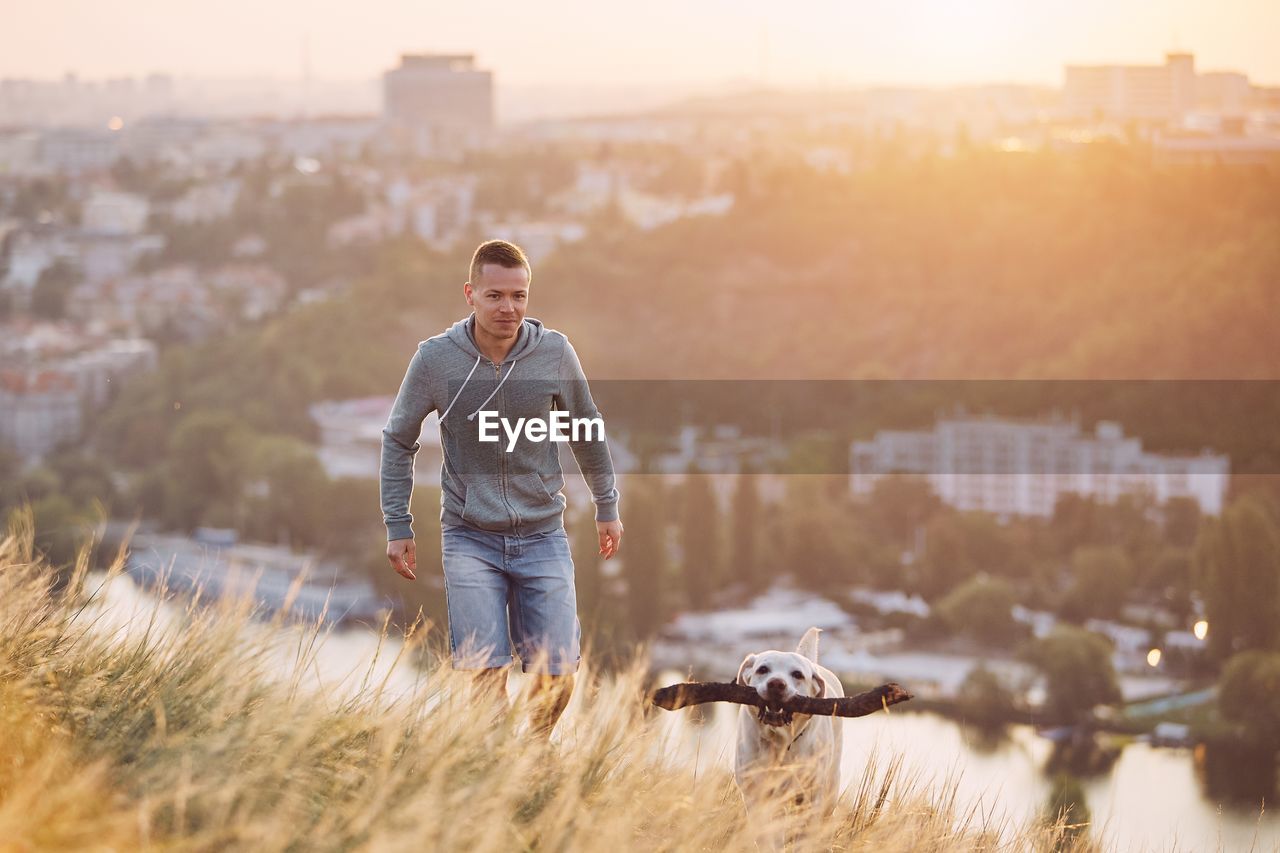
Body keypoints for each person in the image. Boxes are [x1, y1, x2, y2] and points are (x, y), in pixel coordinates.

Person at [379, 239, 623, 739]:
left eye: (519, 295)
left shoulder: (554, 352)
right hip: (470, 536)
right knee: (484, 670)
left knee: (558, 673)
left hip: (542, 534)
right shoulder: (435, 359)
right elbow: (398, 439)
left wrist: (606, 505)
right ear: (470, 293)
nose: (508, 307)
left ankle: (533, 753)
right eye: (495, 295)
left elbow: (586, 427)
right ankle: (491, 767)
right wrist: (398, 523)